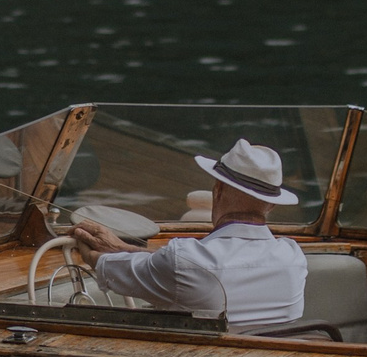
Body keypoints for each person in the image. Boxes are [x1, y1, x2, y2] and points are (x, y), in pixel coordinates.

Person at [67, 137, 308, 333]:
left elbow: (110, 265)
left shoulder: (185, 262)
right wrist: (124, 248)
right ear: (272, 205)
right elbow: (179, 266)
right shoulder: (293, 260)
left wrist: (95, 252)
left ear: (218, 189)